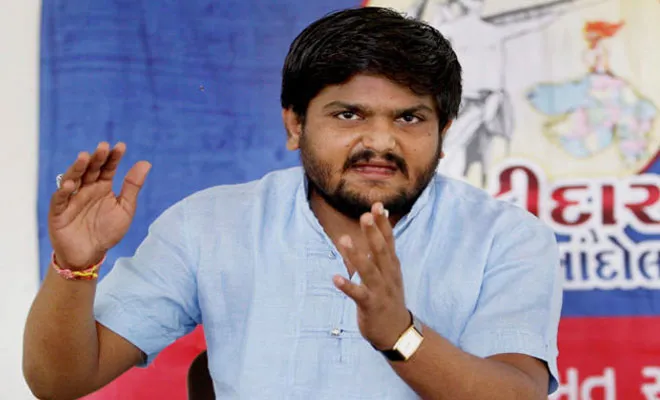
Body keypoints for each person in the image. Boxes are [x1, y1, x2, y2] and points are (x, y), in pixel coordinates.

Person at [23, 6, 563, 400]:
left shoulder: (504, 238)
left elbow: (517, 394)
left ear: (444, 133)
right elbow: (58, 381)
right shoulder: (210, 224)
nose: (381, 142)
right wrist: (74, 267)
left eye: (409, 118)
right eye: (348, 115)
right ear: (295, 125)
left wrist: (400, 335)